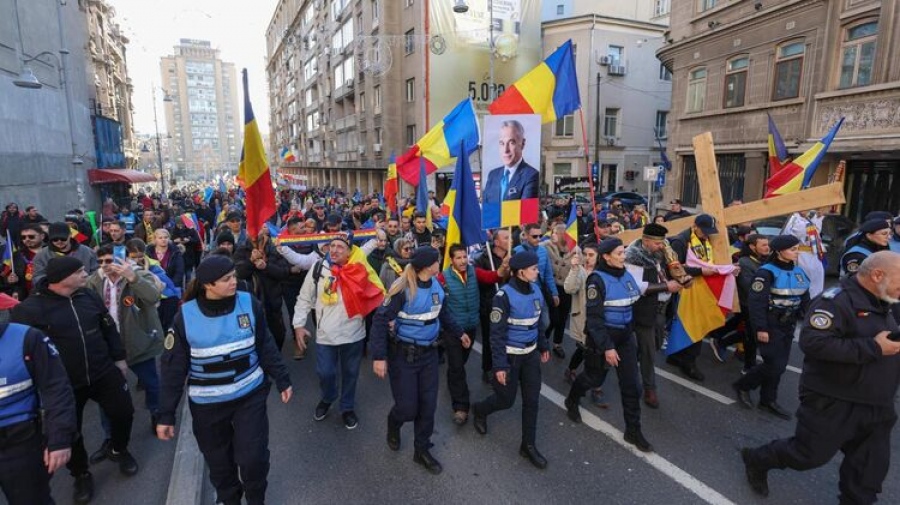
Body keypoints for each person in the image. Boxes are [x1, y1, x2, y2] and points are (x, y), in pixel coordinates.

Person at [741, 251, 900, 502]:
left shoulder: (886, 299)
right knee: (808, 455)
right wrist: (874, 347)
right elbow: (814, 343)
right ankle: (758, 459)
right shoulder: (835, 301)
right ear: (877, 275)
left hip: (877, 403)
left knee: (868, 473)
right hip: (833, 399)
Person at [156, 256, 292, 505]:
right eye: (227, 279)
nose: (234, 281)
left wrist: (283, 378)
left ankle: (255, 499)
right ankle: (229, 499)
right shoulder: (185, 316)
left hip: (249, 397)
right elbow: (173, 368)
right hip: (208, 406)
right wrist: (166, 414)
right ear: (208, 285)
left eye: (233, 276)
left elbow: (265, 344)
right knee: (219, 464)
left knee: (253, 459)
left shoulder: (248, 303)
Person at [11, 257, 137, 504]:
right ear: (62, 278)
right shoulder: (29, 309)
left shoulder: (88, 296)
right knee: (71, 431)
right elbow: (22, 348)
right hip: (64, 383)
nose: (85, 274)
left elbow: (108, 328)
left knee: (124, 412)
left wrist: (119, 359)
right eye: (80, 271)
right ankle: (80, 473)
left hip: (103, 371)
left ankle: (118, 448)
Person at [371, 247, 469, 475]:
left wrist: (459, 332)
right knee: (407, 409)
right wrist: (379, 356)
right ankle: (394, 423)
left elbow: (442, 314)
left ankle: (421, 450)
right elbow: (379, 321)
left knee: (427, 407)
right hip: (404, 356)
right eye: (437, 261)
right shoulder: (402, 289)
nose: (440, 263)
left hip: (428, 356)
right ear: (428, 266)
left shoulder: (437, 286)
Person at [564, 238, 653, 452]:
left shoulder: (627, 274)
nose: (624, 257)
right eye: (620, 253)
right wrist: (607, 347)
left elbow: (633, 302)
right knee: (594, 378)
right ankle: (572, 400)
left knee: (632, 385)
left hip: (625, 338)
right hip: (602, 339)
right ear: (606, 256)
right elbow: (594, 320)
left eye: (624, 252)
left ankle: (633, 430)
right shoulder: (596, 280)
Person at [86, 245, 164, 464]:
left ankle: (156, 412)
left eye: (109, 260)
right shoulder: (94, 281)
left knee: (151, 383)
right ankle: (110, 437)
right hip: (109, 348)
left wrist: (133, 278)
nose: (104, 266)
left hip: (138, 342)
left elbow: (153, 296)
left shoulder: (139, 274)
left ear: (121, 260)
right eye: (100, 262)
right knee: (106, 394)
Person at [472, 251, 550, 468]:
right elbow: (495, 335)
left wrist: (543, 345)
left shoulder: (536, 289)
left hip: (530, 356)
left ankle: (528, 446)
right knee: (506, 400)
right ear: (521, 272)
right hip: (510, 356)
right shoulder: (503, 297)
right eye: (534, 268)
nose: (537, 270)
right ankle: (480, 410)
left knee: (532, 401)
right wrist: (499, 365)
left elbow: (537, 322)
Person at [292, 235, 379, 429]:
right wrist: (298, 325)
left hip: (354, 333)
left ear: (350, 252)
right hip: (326, 335)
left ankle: (347, 407)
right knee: (325, 373)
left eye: (341, 246)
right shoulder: (318, 269)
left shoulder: (360, 268)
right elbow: (304, 298)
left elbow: (376, 292)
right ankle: (328, 397)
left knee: (350, 373)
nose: (335, 250)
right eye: (332, 246)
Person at [733, 235, 810, 419]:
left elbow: (806, 300)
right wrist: (761, 328)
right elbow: (756, 303)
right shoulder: (766, 272)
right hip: (770, 323)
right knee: (774, 365)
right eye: (792, 249)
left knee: (779, 366)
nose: (796, 252)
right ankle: (743, 385)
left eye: (797, 248)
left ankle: (768, 400)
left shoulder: (799, 272)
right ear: (779, 252)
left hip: (788, 325)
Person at [437, 244, 505, 425]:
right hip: (452, 330)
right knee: (457, 366)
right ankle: (461, 407)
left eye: (464, 257)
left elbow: (493, 277)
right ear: (451, 260)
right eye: (458, 258)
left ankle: (453, 378)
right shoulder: (443, 278)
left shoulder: (474, 271)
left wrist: (504, 267)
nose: (462, 261)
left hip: (471, 327)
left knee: (459, 364)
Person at [623, 224, 683, 409]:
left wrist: (683, 277)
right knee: (616, 348)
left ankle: (647, 385)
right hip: (632, 311)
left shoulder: (659, 253)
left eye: (663, 242)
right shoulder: (633, 257)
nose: (662, 246)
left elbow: (667, 272)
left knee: (650, 350)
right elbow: (636, 287)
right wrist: (667, 287)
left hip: (653, 310)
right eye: (658, 243)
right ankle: (596, 382)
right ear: (646, 241)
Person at [665, 214, 725, 381]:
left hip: (700, 290)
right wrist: (700, 271)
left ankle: (675, 356)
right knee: (692, 326)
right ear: (695, 226)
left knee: (689, 325)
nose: (707, 235)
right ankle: (688, 363)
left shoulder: (705, 240)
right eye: (705, 231)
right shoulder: (681, 241)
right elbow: (673, 267)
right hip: (685, 290)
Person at [710, 234, 769, 372]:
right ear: (752, 247)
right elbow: (749, 287)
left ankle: (718, 338)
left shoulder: (763, 260)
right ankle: (749, 367)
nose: (768, 248)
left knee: (744, 328)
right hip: (749, 304)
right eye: (764, 245)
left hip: (758, 305)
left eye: (768, 244)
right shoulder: (745, 262)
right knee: (752, 336)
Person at [562, 243, 609, 407]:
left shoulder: (604, 274)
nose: (587, 258)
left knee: (601, 354)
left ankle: (597, 387)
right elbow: (568, 288)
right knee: (584, 350)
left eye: (591, 255)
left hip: (601, 321)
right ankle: (572, 370)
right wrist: (574, 269)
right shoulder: (580, 271)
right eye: (585, 254)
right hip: (584, 321)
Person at [475, 230, 512, 382]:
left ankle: (504, 366)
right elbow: (482, 282)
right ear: (496, 242)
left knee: (507, 337)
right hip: (489, 306)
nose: (511, 240)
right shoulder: (483, 259)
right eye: (506, 238)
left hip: (509, 305)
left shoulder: (513, 256)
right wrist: (500, 271)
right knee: (489, 339)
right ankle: (488, 368)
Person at [482, 119, 540, 203]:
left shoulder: (531, 175)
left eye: (511, 143)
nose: (505, 150)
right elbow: (486, 208)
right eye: (502, 143)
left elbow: (525, 213)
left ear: (522, 144)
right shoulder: (493, 175)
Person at [544, 223, 577, 359]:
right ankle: (543, 338)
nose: (558, 235)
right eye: (557, 232)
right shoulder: (545, 247)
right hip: (551, 287)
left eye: (562, 233)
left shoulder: (576, 250)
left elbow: (579, 270)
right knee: (554, 318)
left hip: (567, 287)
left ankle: (557, 343)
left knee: (563, 318)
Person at [32, 222, 99, 286]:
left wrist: (83, 282)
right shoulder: (41, 255)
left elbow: (96, 273)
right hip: (53, 294)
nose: (59, 241)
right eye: (55, 239)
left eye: (63, 238)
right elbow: (38, 276)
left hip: (83, 291)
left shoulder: (87, 252)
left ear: (70, 235)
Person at [514, 224, 560, 313]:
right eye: (535, 236)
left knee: (545, 322)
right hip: (522, 293)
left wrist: (554, 293)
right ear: (526, 236)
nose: (538, 239)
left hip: (540, 291)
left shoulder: (543, 250)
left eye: (540, 236)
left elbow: (548, 274)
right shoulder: (516, 251)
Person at [784, 210, 826, 298]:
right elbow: (797, 233)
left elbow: (815, 232)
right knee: (804, 282)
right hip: (803, 256)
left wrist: (818, 218)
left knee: (816, 284)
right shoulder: (795, 220)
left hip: (814, 255)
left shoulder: (807, 219)